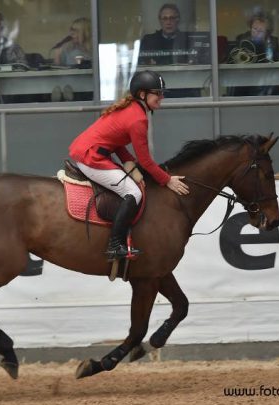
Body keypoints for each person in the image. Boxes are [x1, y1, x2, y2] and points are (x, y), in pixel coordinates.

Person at [68, 70, 189, 261]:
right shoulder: (138, 119)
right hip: (91, 158)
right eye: (157, 93)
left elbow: (117, 144)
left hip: (88, 152)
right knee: (134, 193)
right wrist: (167, 180)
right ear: (143, 94)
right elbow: (146, 161)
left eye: (161, 93)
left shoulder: (132, 108)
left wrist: (129, 163)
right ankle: (115, 245)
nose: (161, 97)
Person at [228, 12, 279, 97]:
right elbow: (235, 63)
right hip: (245, 81)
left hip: (266, 80)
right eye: (254, 29)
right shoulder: (242, 40)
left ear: (267, 32)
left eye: (261, 31)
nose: (256, 32)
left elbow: (275, 62)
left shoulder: (273, 42)